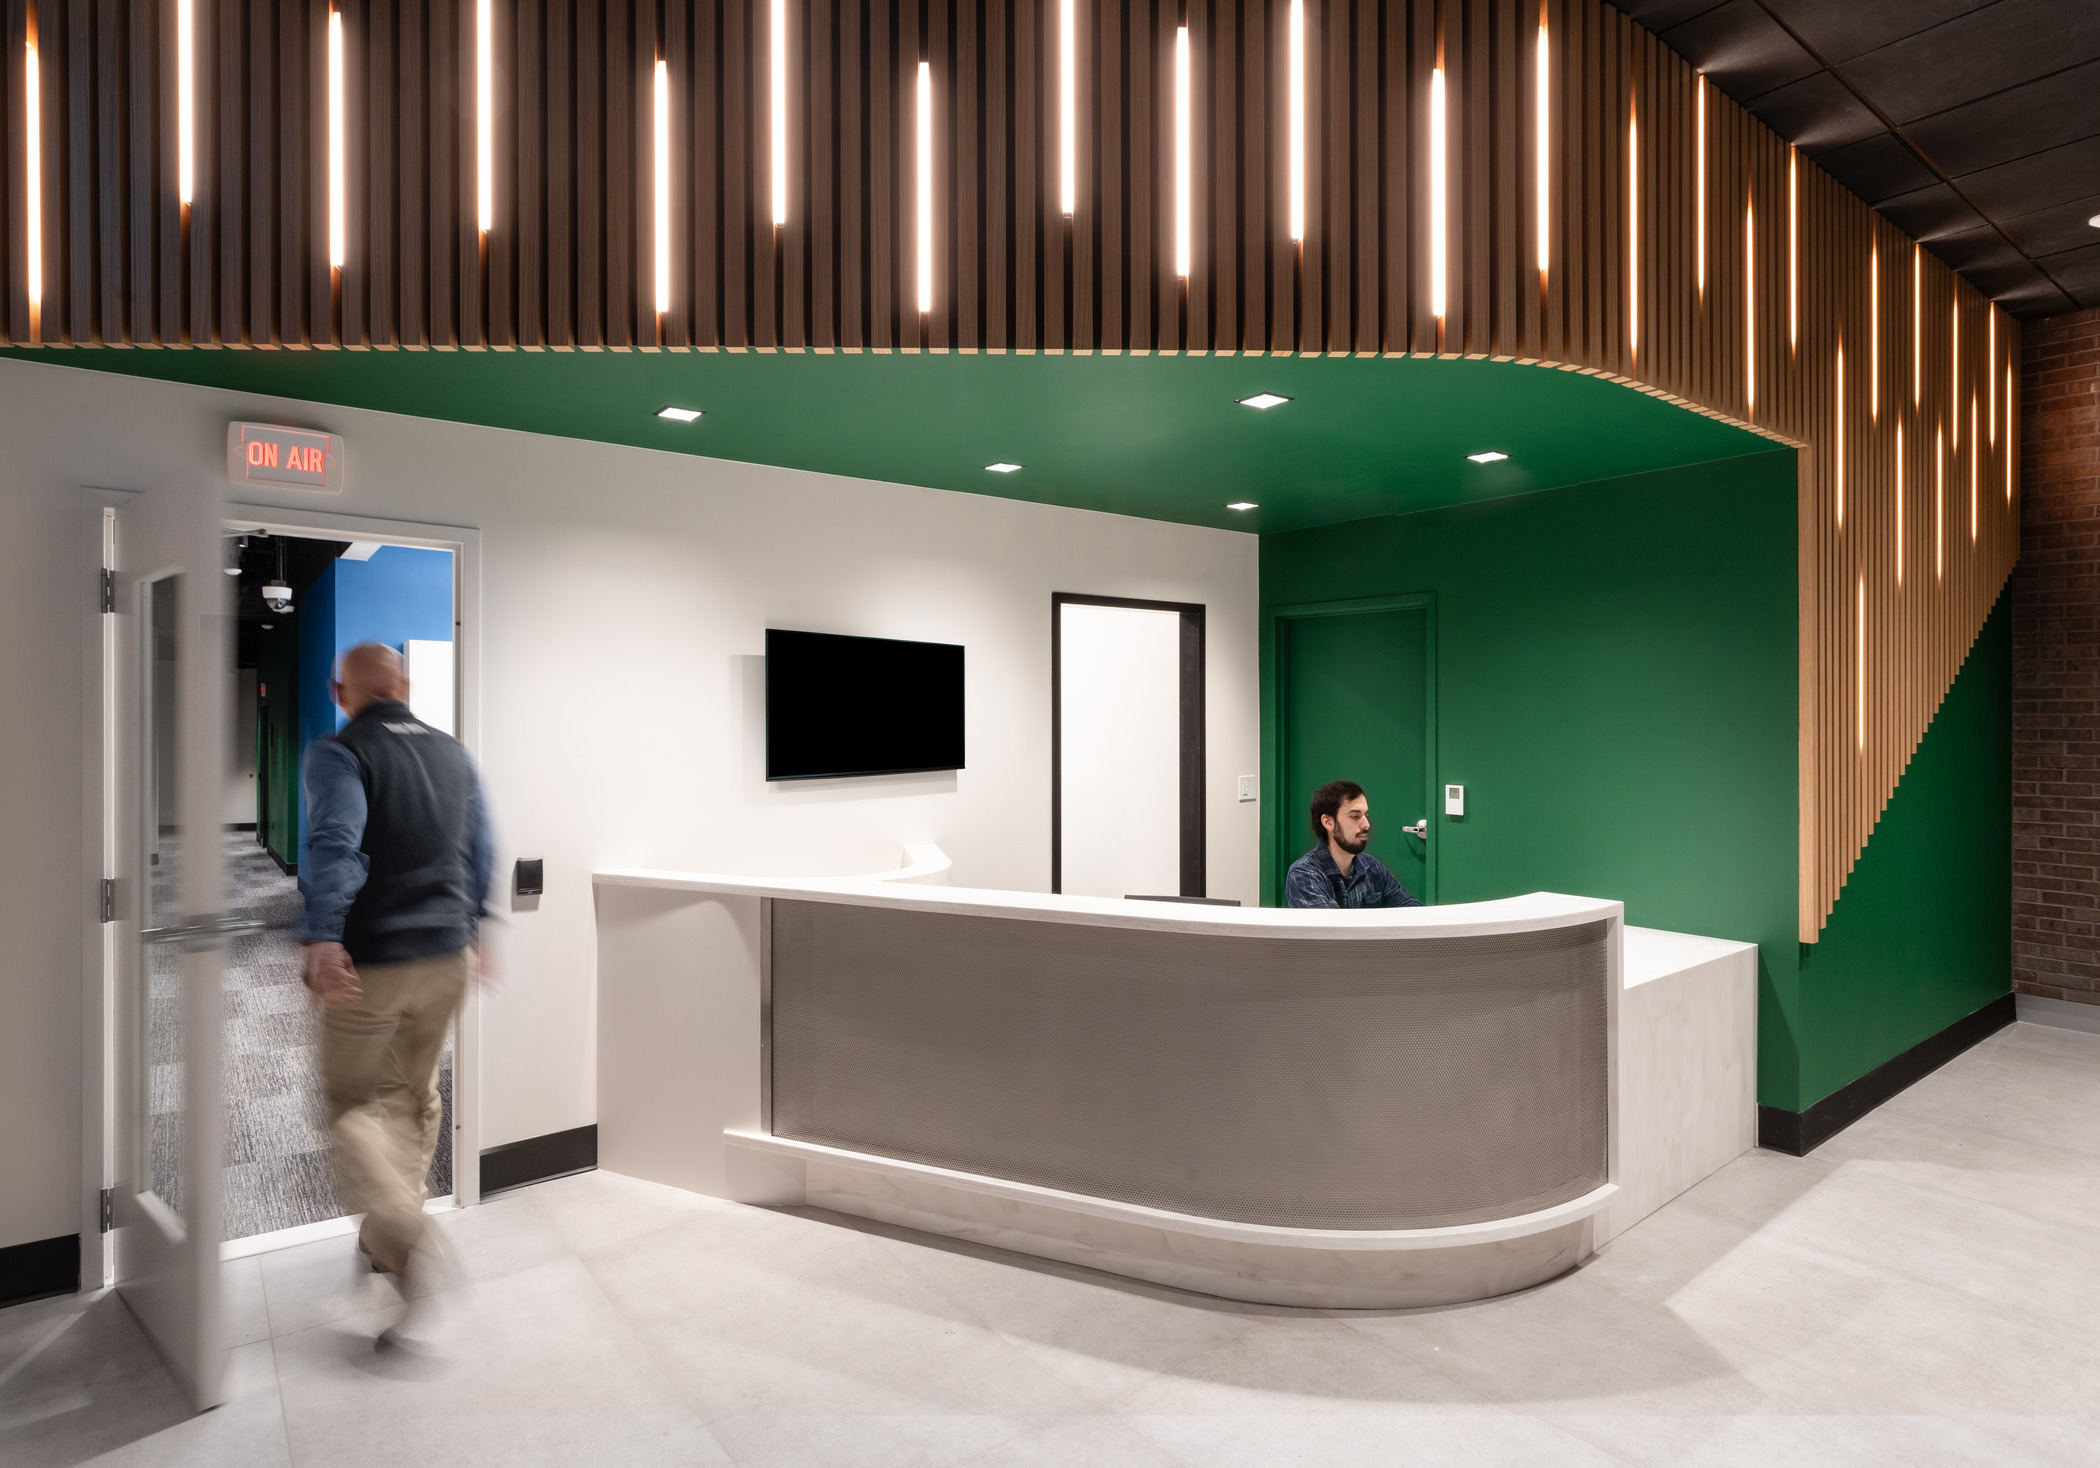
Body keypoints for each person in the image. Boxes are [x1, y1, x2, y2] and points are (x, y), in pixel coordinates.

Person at [300, 642, 495, 1348]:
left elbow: (336, 843)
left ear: (339, 690)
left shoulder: (339, 750)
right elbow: (481, 847)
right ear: (403, 685)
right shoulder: (453, 752)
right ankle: (389, 1243)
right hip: (446, 954)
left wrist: (323, 935)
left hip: (372, 961)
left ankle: (406, 1232)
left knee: (351, 1100)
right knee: (416, 1095)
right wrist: (482, 926)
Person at [1284, 779, 1423, 909]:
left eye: (1366, 816)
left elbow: (1411, 909)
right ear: (1328, 822)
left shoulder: (1372, 867)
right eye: (1355, 816)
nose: (1366, 825)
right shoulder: (1304, 874)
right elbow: (1332, 931)